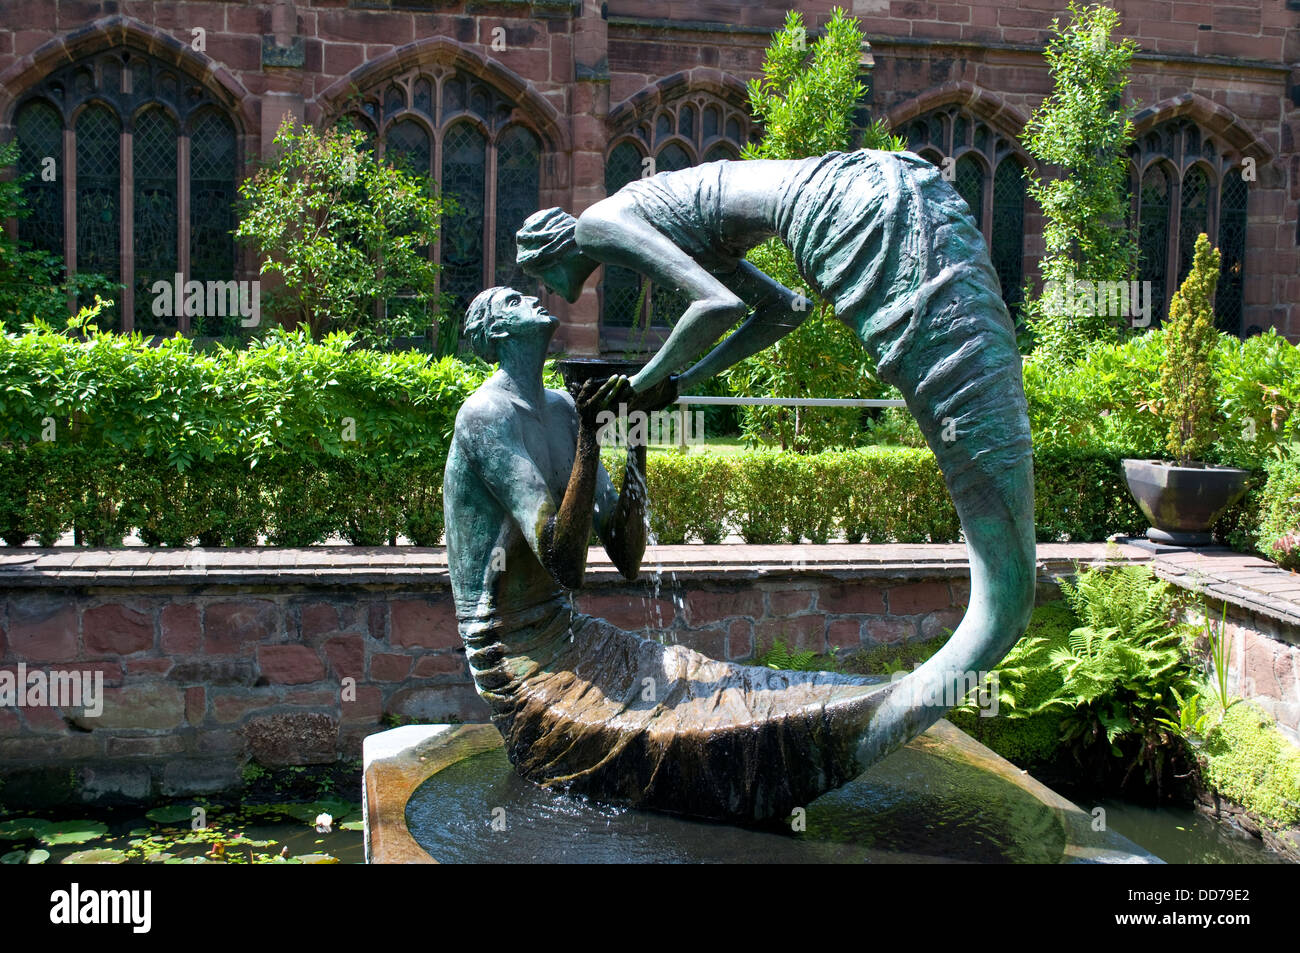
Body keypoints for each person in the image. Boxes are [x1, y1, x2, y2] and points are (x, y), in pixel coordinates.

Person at [514, 149, 1038, 776]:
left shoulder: (597, 224)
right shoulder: (673, 221)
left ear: (551, 254)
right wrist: (677, 383)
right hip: (867, 193)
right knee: (1006, 577)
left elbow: (713, 306)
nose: (551, 294)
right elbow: (783, 310)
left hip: (856, 210)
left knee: (1005, 581)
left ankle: (847, 743)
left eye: (542, 278)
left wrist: (641, 382)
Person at [444, 285, 886, 821]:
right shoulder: (486, 416)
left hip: (564, 630)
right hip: (510, 654)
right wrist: (591, 433)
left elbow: (627, 558)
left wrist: (633, 436)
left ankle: (844, 706)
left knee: (694, 679)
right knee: (673, 725)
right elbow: (564, 562)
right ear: (496, 333)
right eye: (513, 301)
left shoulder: (562, 408)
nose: (533, 300)